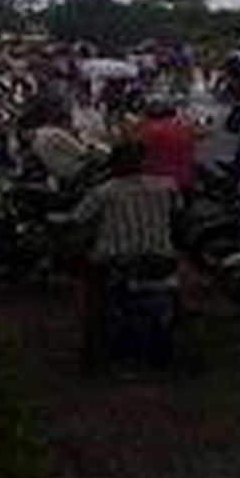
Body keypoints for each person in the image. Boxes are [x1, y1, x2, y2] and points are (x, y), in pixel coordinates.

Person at [60, 140, 178, 371]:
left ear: (114, 165)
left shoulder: (103, 192)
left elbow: (76, 221)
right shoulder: (167, 186)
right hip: (161, 258)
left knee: (93, 298)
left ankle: (95, 355)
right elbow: (177, 213)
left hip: (116, 261)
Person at [136, 97, 199, 195]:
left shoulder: (150, 129)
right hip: (186, 178)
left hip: (159, 180)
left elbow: (138, 150)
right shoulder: (185, 127)